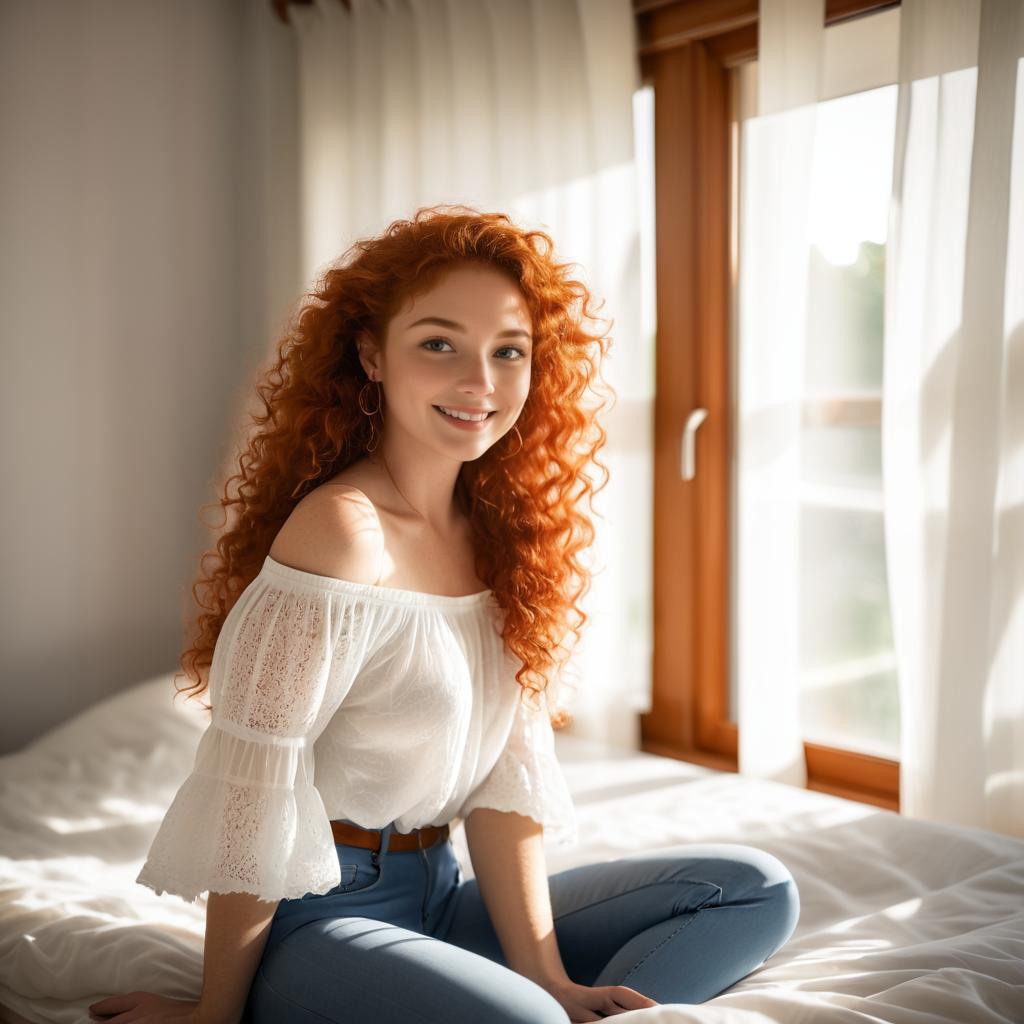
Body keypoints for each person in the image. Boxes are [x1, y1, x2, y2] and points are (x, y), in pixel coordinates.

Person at [89, 206, 800, 1024]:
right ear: (371, 355)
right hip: (321, 912)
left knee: (753, 892)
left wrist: (552, 979)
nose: (481, 383)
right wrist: (215, 1014)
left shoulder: (505, 539)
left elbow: (503, 788)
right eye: (439, 344)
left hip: (444, 895)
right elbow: (256, 787)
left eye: (509, 352)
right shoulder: (341, 532)